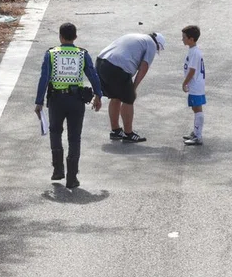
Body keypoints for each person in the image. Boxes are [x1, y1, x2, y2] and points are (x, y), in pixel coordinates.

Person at [34, 23, 103, 189]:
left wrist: (39, 101)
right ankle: (72, 178)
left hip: (57, 100)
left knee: (55, 131)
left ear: (60, 36)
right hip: (76, 101)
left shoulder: (51, 54)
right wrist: (98, 95)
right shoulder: (82, 54)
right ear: (75, 37)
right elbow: (93, 75)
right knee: (74, 137)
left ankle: (58, 170)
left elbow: (44, 78)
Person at [95, 32, 166, 143]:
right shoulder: (151, 44)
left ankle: (116, 131)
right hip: (116, 67)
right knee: (129, 99)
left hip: (101, 63)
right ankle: (128, 134)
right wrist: (134, 87)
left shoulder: (136, 36)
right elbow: (144, 67)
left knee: (115, 97)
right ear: (158, 44)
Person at [180, 25, 206, 147]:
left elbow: (192, 70)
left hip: (195, 85)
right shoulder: (193, 51)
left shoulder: (195, 53)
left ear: (191, 39)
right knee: (195, 108)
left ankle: (198, 136)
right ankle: (196, 132)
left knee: (197, 108)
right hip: (196, 85)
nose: (182, 39)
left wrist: (185, 82)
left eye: (184, 37)